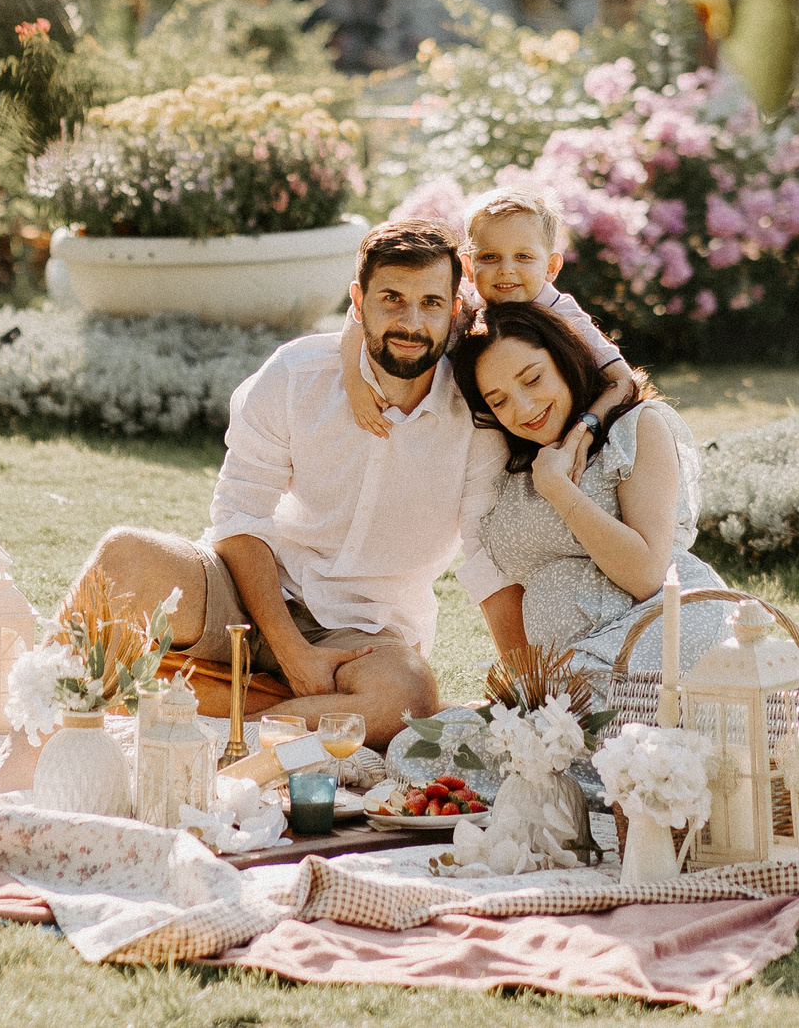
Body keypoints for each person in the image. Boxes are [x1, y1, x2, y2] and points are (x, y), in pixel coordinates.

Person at [59, 219, 505, 743]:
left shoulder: (477, 417)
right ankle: (38, 722)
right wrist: (292, 651)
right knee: (125, 557)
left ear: (454, 309)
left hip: (363, 632)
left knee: (407, 699)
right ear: (358, 303)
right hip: (251, 593)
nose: (411, 323)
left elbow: (486, 557)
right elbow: (239, 517)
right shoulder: (297, 375)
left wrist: (528, 686)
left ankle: (227, 727)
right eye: (392, 299)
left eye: (431, 303)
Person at [455, 299, 732, 677]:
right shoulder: (516, 463)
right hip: (575, 665)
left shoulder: (635, 430)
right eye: (499, 400)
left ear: (564, 359)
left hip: (662, 628)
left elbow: (648, 575)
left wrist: (559, 490)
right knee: (425, 738)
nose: (523, 408)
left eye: (533, 379)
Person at [341, 188, 637, 470]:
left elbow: (624, 381)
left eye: (523, 257)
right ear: (468, 266)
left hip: (585, 439)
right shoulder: (467, 309)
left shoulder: (562, 312)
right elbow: (358, 317)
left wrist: (585, 431)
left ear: (551, 266)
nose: (506, 269)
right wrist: (354, 381)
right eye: (490, 257)